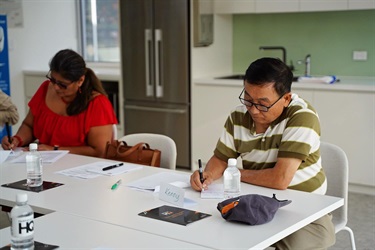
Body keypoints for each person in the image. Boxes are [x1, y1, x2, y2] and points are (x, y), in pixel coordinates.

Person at [190, 57, 335, 249]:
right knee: (211, 235)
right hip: (254, 201)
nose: (254, 110)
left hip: (302, 207)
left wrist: (233, 174)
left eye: (262, 103)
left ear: (286, 98)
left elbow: (280, 179)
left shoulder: (302, 116)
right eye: (248, 100)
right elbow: (221, 158)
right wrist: (208, 175)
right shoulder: (238, 116)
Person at [1, 49, 117, 158]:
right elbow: (29, 126)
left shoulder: (98, 103)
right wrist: (17, 140)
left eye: (63, 84)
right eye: (53, 80)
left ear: (80, 81)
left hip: (80, 169)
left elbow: (99, 150)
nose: (56, 87)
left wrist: (55, 150)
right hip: (45, 165)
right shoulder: (46, 88)